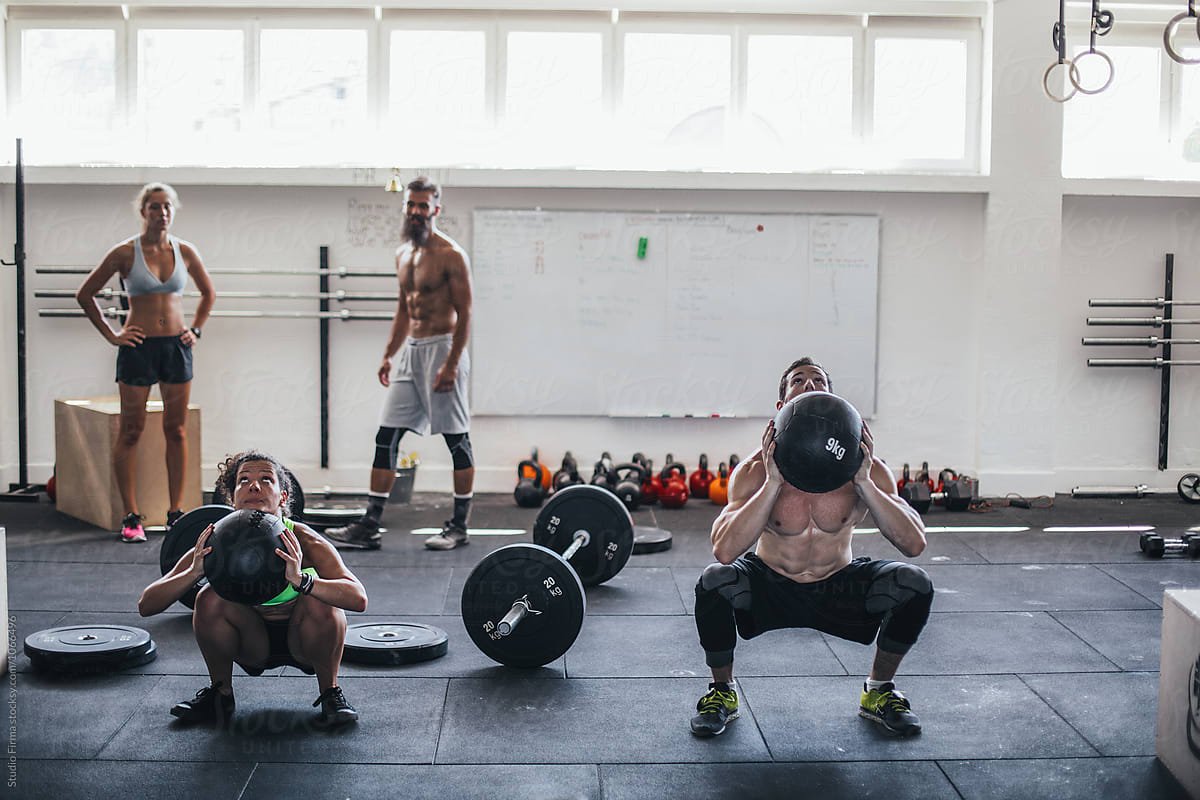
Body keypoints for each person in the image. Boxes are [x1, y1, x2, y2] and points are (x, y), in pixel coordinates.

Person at [690, 357, 932, 738]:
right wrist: (772, 483)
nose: (809, 384)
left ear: (833, 399)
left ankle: (879, 692)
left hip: (839, 585)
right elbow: (724, 550)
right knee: (714, 581)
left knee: (913, 583)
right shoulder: (755, 471)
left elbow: (913, 543)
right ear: (782, 406)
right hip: (771, 585)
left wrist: (864, 482)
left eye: (818, 380)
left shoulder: (867, 469)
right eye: (798, 381)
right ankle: (722, 692)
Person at [138, 450, 367, 728]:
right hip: (251, 642)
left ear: (283, 497)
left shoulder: (304, 540)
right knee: (208, 596)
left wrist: (303, 582)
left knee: (321, 598)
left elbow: (358, 598)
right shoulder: (215, 540)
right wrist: (195, 571)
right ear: (232, 497)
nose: (254, 486)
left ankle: (331, 694)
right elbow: (147, 605)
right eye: (244, 480)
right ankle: (220, 695)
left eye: (266, 480)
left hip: (305, 641)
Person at [326, 177, 475, 551]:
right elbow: (403, 310)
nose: (416, 211)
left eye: (424, 206)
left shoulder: (451, 255)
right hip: (411, 350)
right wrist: (389, 353)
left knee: (456, 440)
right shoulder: (404, 253)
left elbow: (466, 312)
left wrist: (453, 364)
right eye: (411, 204)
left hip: (442, 349)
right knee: (387, 436)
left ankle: (458, 526)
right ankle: (371, 523)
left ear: (436, 209)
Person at [75, 183, 216, 542]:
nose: (162, 213)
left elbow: (209, 292)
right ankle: (131, 516)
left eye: (167, 206)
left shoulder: (185, 251)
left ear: (173, 210)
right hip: (138, 348)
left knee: (176, 429)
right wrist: (113, 335)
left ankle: (174, 514)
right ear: (144, 212)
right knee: (131, 430)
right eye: (154, 207)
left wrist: (195, 331)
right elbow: (85, 294)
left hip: (175, 348)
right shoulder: (125, 252)